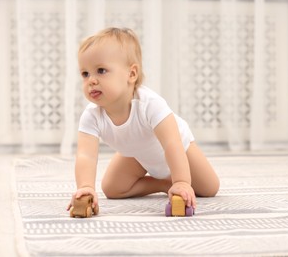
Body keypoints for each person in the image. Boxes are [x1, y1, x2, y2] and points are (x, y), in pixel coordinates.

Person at [66, 27, 219, 213]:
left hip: (179, 149)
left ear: (131, 74)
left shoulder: (150, 104)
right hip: (137, 154)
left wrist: (181, 182)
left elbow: (172, 144)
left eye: (101, 70)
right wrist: (86, 187)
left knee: (209, 188)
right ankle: (162, 184)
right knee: (112, 189)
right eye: (85, 74)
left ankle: (174, 180)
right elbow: (86, 155)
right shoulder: (91, 115)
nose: (91, 80)